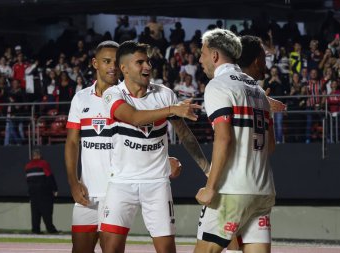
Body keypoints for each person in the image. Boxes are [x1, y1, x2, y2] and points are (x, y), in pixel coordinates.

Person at [65, 41, 191, 253]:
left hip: (117, 184)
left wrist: (163, 159)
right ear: (95, 63)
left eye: (115, 61)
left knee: (112, 247)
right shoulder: (85, 98)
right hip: (91, 189)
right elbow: (71, 143)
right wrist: (73, 182)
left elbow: (154, 134)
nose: (112, 66)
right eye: (107, 61)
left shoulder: (132, 94)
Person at [101, 41, 210, 253]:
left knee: (167, 250)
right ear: (123, 68)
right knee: (111, 249)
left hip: (157, 183)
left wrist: (207, 168)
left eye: (148, 61)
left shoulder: (164, 94)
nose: (147, 67)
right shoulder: (113, 94)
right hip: (122, 182)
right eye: (140, 62)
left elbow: (185, 135)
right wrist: (171, 110)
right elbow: (134, 117)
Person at [194, 29, 276, 253]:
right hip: (262, 191)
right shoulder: (257, 91)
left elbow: (224, 138)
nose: (199, 59)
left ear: (214, 55)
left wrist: (210, 187)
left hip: (231, 191)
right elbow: (270, 146)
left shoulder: (219, 85)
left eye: (202, 53)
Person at [24, 148, 59, 234]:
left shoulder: (27, 166)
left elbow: (28, 181)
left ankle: (35, 230)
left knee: (35, 212)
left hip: (33, 192)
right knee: (47, 211)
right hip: (44, 191)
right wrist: (55, 189)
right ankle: (50, 229)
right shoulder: (43, 163)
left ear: (33, 156)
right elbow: (49, 176)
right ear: (39, 155)